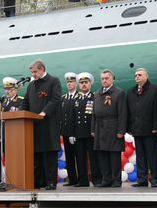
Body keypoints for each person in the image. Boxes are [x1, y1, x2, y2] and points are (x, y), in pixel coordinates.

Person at [20, 59, 61, 190]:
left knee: (49, 155)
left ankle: (51, 182)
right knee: (36, 156)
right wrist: (20, 113)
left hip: (48, 124)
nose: (33, 74)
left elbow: (55, 99)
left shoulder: (53, 81)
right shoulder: (31, 85)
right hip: (34, 125)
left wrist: (44, 112)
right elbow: (26, 101)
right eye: (32, 72)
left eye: (35, 71)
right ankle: (38, 181)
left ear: (42, 69)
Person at [91, 69, 127, 188]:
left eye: (106, 78)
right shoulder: (97, 93)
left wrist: (121, 130)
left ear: (112, 79)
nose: (104, 80)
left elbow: (122, 113)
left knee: (113, 156)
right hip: (99, 128)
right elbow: (94, 113)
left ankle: (116, 180)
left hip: (113, 127)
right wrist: (92, 129)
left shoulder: (118, 93)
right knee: (102, 155)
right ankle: (106, 179)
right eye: (102, 79)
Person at [127, 68, 157, 188]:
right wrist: (129, 127)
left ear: (146, 76)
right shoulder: (131, 91)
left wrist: (156, 126)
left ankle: (154, 179)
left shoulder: (155, 89)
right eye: (135, 75)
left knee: (152, 155)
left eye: (139, 75)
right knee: (140, 156)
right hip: (137, 129)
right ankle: (142, 179)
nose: (137, 77)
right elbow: (129, 111)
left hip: (150, 129)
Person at [71, 72, 102, 187]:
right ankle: (83, 181)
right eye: (82, 83)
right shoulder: (76, 99)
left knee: (94, 158)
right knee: (80, 158)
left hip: (91, 133)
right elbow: (72, 117)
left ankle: (97, 180)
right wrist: (72, 134)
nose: (84, 85)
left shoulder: (95, 97)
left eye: (86, 82)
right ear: (79, 85)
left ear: (90, 84)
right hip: (79, 133)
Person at [60, 72, 78, 186]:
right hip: (66, 132)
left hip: (77, 132)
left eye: (71, 82)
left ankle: (82, 178)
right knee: (69, 157)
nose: (69, 84)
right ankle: (72, 179)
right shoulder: (64, 98)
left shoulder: (79, 96)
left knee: (79, 157)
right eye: (68, 82)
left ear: (76, 83)